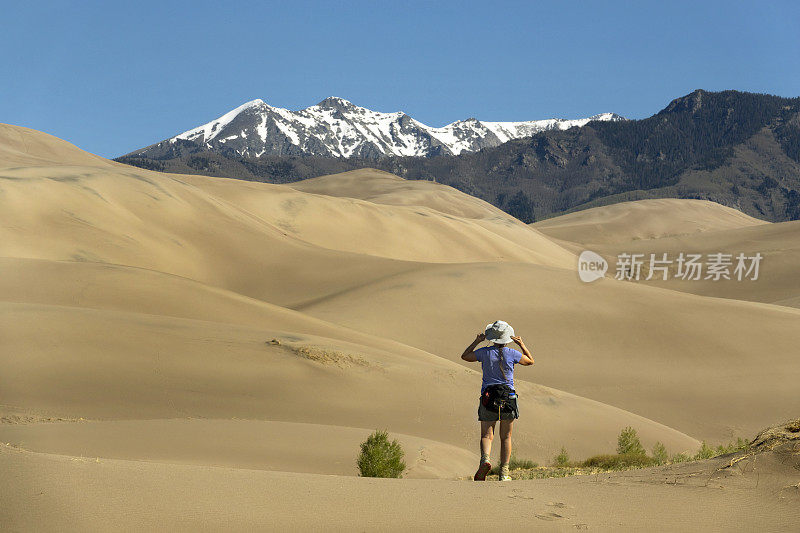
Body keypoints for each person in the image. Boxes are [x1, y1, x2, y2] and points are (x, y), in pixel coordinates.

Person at [460, 320, 534, 481]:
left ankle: (485, 460)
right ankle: (504, 473)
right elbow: (530, 361)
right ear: (507, 338)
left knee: (487, 435)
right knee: (506, 437)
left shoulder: (484, 352)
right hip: (508, 397)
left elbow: (465, 356)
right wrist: (522, 344)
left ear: (492, 338)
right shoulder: (512, 354)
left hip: (488, 397)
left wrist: (477, 341)